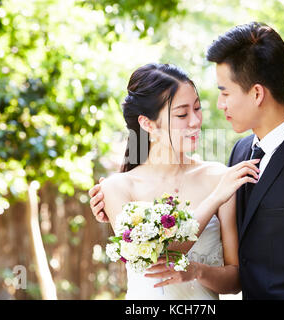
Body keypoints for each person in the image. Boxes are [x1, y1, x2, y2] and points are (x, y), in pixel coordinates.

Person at [91, 22, 284, 299]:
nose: (217, 105)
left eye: (225, 92)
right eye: (182, 114)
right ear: (147, 124)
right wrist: (124, 219)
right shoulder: (241, 154)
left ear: (256, 93)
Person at [95, 63, 260, 299]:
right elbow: (158, 258)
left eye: (197, 108)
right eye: (182, 114)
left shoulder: (219, 178)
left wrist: (197, 271)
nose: (195, 121)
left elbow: (235, 280)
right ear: (147, 124)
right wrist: (214, 200)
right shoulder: (117, 188)